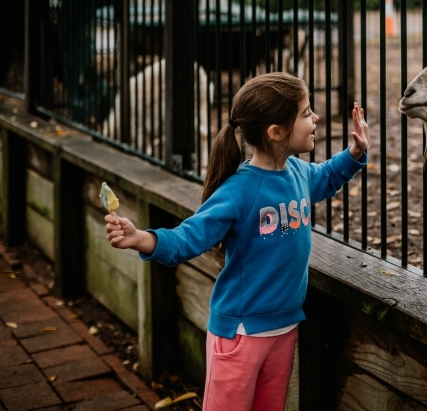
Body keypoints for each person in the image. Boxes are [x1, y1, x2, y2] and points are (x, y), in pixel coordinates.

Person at [104, 72, 369, 410]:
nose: (315, 117)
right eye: (305, 113)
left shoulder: (299, 174)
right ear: (275, 132)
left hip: (284, 328)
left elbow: (329, 175)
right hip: (240, 335)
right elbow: (190, 237)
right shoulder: (239, 191)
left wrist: (354, 152)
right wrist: (141, 238)